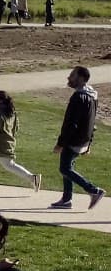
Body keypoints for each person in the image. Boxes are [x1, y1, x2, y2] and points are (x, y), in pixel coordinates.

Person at [51, 66, 103, 210]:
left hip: (73, 139)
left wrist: (60, 143)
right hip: (83, 139)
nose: (69, 78)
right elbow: (92, 122)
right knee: (69, 167)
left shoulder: (78, 97)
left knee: (65, 168)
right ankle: (66, 199)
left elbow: (71, 123)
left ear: (80, 78)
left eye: (72, 75)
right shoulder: (92, 96)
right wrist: (89, 143)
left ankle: (93, 191)